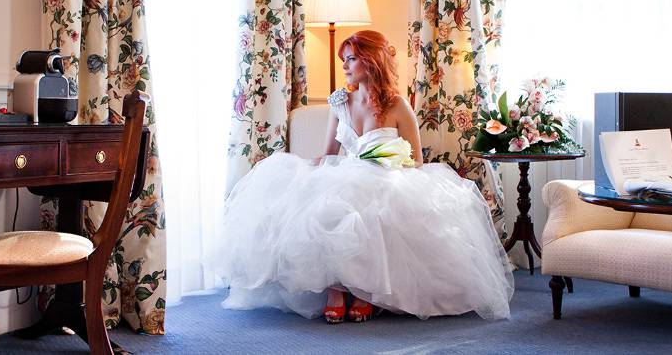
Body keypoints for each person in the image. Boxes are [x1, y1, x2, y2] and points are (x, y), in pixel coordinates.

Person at [209, 30, 513, 323]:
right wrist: (301, 170)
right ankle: (336, 288)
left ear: (371, 60)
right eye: (344, 59)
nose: (345, 66)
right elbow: (330, 154)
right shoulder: (340, 102)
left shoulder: (397, 105)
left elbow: (416, 161)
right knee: (328, 206)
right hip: (347, 172)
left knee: (374, 204)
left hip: (389, 177)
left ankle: (365, 290)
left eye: (351, 59)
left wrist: (389, 163)